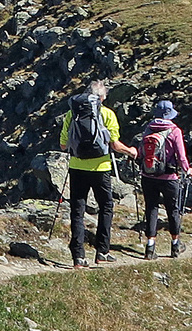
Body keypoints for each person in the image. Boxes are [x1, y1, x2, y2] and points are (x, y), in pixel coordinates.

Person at [58, 80, 136, 267]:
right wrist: (131, 151)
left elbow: (63, 145)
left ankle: (78, 257)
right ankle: (102, 251)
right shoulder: (108, 114)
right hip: (101, 168)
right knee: (106, 207)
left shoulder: (72, 114)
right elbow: (115, 146)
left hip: (77, 167)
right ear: (100, 98)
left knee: (77, 210)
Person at [134, 100, 191, 258]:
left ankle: (150, 247)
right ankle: (175, 245)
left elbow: (141, 151)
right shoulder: (175, 131)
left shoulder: (148, 128)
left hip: (148, 175)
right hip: (169, 177)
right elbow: (181, 156)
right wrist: (188, 169)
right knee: (172, 210)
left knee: (151, 208)